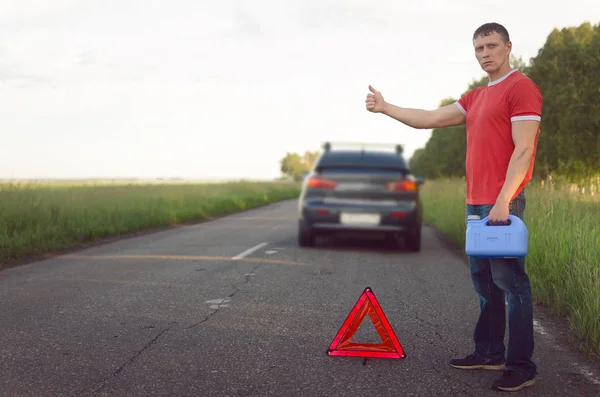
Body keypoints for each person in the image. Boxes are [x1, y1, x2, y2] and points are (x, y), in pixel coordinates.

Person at [365, 22, 542, 392]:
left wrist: (504, 200)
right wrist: (385, 107)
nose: (485, 54)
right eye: (479, 49)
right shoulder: (474, 97)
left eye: (492, 46)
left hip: (501, 202)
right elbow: (428, 119)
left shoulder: (521, 88)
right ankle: (490, 352)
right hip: (476, 203)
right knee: (484, 282)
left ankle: (522, 366)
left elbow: (524, 149)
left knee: (511, 283)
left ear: (508, 47)